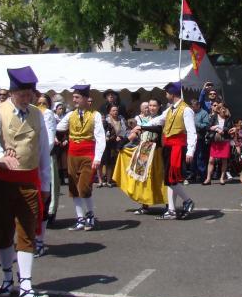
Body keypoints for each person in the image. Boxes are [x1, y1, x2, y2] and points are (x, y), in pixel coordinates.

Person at [0, 67, 51, 297]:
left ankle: (26, 285)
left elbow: (43, 150)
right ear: (12, 92)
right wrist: (1, 155)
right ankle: (6, 277)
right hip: (3, 179)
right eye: (22, 93)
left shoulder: (37, 114)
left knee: (27, 230)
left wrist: (46, 181)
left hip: (29, 180)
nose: (27, 97)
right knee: (3, 230)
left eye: (29, 93)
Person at [140, 81, 197, 220]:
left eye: (167, 92)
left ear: (172, 94)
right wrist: (143, 125)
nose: (165, 95)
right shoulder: (170, 109)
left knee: (171, 178)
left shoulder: (186, 109)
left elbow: (191, 132)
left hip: (178, 147)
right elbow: (159, 120)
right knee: (170, 179)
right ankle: (171, 210)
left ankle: (188, 200)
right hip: (168, 146)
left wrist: (190, 151)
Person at [54, 84, 105, 231]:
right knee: (73, 188)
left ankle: (90, 215)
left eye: (77, 97)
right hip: (72, 154)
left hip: (88, 154)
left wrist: (98, 157)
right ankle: (80, 218)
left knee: (84, 186)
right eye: (73, 97)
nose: (74, 100)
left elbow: (100, 138)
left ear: (85, 98)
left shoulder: (94, 115)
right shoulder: (70, 115)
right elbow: (58, 128)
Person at [113, 97, 166, 214]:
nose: (151, 108)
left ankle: (168, 204)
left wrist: (141, 127)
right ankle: (144, 205)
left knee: (159, 178)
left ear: (159, 107)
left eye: (154, 106)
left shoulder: (161, 118)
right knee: (142, 178)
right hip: (144, 149)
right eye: (149, 106)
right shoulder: (145, 119)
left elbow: (158, 130)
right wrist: (123, 142)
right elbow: (136, 132)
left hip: (156, 151)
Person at [204, 100, 231, 185]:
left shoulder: (228, 118)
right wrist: (216, 128)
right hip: (215, 141)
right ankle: (208, 178)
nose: (223, 110)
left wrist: (223, 130)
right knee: (211, 160)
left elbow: (230, 128)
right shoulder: (214, 117)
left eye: (224, 108)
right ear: (218, 110)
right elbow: (208, 127)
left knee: (224, 160)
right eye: (221, 108)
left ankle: (222, 178)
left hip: (224, 141)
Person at [102, 105, 127, 187]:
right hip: (108, 143)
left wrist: (120, 136)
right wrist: (113, 137)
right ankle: (105, 178)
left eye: (116, 110)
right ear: (109, 112)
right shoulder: (106, 120)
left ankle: (113, 178)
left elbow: (124, 129)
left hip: (119, 141)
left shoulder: (121, 119)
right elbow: (104, 130)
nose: (115, 112)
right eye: (113, 110)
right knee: (107, 161)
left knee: (115, 160)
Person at [190, 97, 210, 183]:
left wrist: (195, 123)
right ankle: (193, 173)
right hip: (191, 137)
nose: (192, 108)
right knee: (192, 157)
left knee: (200, 156)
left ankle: (202, 175)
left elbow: (206, 125)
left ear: (198, 105)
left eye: (193, 106)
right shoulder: (191, 113)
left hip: (200, 137)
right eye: (191, 106)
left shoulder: (204, 113)